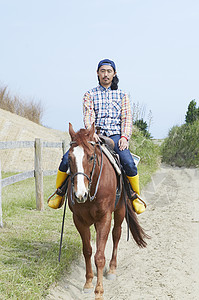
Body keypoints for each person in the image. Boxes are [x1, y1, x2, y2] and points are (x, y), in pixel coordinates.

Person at [48, 59, 146, 214]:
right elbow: (88, 115)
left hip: (115, 136)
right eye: (102, 71)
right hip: (95, 135)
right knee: (68, 158)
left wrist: (124, 137)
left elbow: (126, 118)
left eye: (108, 71)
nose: (105, 74)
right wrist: (91, 133)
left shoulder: (122, 95)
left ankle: (134, 196)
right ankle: (59, 194)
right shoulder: (89, 94)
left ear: (114, 74)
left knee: (128, 162)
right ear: (97, 73)